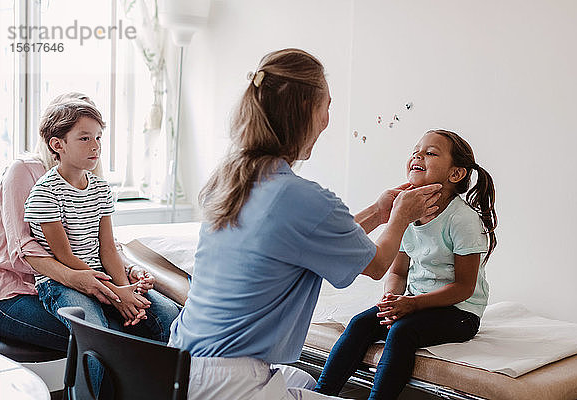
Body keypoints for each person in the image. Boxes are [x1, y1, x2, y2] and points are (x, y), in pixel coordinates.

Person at [168, 48, 442, 400]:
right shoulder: (300, 198)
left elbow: (306, 240)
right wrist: (401, 216)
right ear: (304, 112)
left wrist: (379, 211)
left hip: (182, 364)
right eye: (326, 106)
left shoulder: (234, 179)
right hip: (229, 382)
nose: (328, 120)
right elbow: (376, 265)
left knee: (306, 382)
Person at [314, 129, 498, 399]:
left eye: (430, 152)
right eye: (415, 150)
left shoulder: (463, 220)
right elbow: (398, 270)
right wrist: (392, 297)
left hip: (459, 312)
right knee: (361, 323)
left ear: (456, 174)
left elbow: (464, 288)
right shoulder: (407, 212)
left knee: (402, 331)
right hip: (416, 304)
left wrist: (411, 304)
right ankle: (321, 394)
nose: (417, 155)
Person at [0, 93, 177, 354]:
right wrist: (102, 286)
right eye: (84, 136)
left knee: (164, 318)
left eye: (97, 136)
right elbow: (25, 248)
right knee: (109, 335)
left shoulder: (91, 179)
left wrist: (128, 274)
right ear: (58, 141)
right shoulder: (25, 171)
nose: (94, 145)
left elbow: (104, 244)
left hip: (89, 281)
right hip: (16, 292)